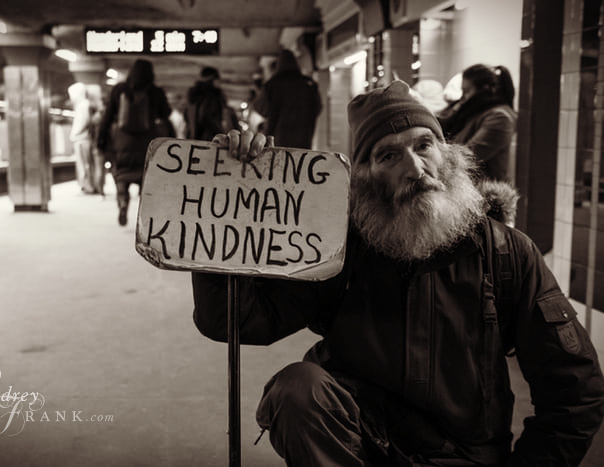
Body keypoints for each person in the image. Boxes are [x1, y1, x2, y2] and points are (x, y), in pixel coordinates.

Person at [191, 80, 604, 466]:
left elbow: (575, 389)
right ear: (366, 178)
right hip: (362, 448)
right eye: (388, 155)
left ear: (449, 154)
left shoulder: (507, 254)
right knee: (297, 389)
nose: (414, 168)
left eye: (424, 145)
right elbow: (236, 319)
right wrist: (231, 195)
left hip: (465, 455)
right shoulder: (338, 249)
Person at [96, 59, 173, 226]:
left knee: (121, 175)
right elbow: (166, 114)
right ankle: (144, 214)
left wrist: (101, 140)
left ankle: (123, 203)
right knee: (146, 178)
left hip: (123, 142)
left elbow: (107, 117)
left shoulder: (119, 90)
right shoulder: (155, 92)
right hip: (147, 142)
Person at [438, 64, 518, 183]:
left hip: (485, 195)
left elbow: (468, 158)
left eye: (467, 91)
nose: (463, 97)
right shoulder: (474, 112)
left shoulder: (500, 117)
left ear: (485, 90)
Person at [252, 48, 322, 149]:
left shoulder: (272, 85)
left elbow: (260, 108)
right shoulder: (310, 84)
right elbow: (318, 109)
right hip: (304, 142)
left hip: (277, 142)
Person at [186, 66, 228, 141]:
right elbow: (206, 117)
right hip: (210, 138)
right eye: (217, 78)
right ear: (212, 79)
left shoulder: (195, 95)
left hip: (195, 136)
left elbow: (186, 116)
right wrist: (221, 132)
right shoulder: (211, 95)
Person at [68, 82, 96, 194]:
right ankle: (87, 185)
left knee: (84, 164)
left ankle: (87, 186)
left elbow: (84, 121)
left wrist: (74, 133)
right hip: (82, 138)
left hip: (81, 138)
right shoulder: (83, 105)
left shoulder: (83, 105)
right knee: (85, 163)